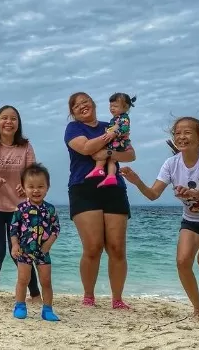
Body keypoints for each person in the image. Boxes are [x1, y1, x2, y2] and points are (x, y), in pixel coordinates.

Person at [120, 117, 199, 321]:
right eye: (177, 133)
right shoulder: (171, 164)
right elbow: (153, 195)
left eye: (187, 132)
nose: (181, 137)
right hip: (193, 218)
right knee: (183, 262)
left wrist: (193, 193)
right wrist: (137, 181)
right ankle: (198, 311)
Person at [64, 92, 136, 309]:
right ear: (73, 113)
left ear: (94, 104)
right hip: (83, 188)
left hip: (114, 187)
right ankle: (88, 296)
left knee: (116, 247)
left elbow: (130, 154)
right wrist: (108, 141)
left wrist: (106, 153)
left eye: (86, 101)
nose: (82, 106)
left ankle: (117, 299)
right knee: (93, 247)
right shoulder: (74, 129)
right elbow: (86, 148)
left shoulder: (113, 124)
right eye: (76, 105)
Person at [0, 105, 41, 300]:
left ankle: (35, 294)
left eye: (13, 118)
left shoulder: (26, 146)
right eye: (4, 118)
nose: (9, 122)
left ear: (18, 123)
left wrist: (26, 186)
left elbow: (31, 173)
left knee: (21, 252)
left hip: (19, 209)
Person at [9, 163, 61, 321]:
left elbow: (56, 229)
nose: (36, 190)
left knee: (46, 281)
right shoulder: (21, 208)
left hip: (43, 252)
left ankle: (47, 309)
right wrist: (15, 245)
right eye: (31, 186)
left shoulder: (50, 209)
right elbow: (13, 229)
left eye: (40, 186)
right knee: (23, 280)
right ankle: (20, 305)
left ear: (47, 187)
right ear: (24, 188)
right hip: (24, 250)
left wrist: (48, 244)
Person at [86, 93, 136, 188]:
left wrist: (114, 133)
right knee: (111, 161)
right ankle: (111, 176)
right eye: (111, 106)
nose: (112, 108)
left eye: (115, 106)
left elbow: (125, 128)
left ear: (125, 107)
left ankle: (99, 168)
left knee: (103, 151)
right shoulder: (115, 118)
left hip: (119, 142)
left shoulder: (124, 117)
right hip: (119, 142)